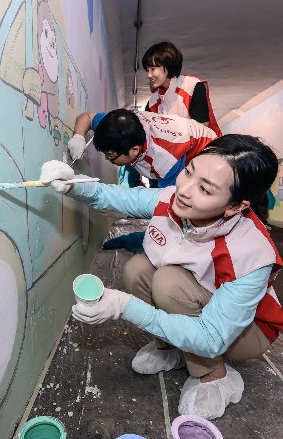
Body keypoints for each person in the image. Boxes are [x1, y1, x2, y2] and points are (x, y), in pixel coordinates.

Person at [39, 134, 283, 420]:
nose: (184, 190)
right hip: (196, 298)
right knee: (138, 269)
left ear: (236, 206)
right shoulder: (172, 199)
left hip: (246, 331)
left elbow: (212, 337)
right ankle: (171, 349)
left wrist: (124, 306)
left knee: (168, 283)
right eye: (189, 172)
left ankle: (212, 374)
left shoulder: (251, 252)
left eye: (205, 189)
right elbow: (120, 197)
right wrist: (72, 186)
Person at [68, 109, 217, 188]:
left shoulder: (165, 161)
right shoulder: (120, 125)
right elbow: (87, 117)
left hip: (207, 151)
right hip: (178, 137)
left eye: (111, 156)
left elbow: (166, 203)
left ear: (134, 150)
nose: (107, 159)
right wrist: (78, 137)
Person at [142, 41, 221, 137]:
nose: (149, 75)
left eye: (153, 69)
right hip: (177, 151)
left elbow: (202, 131)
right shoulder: (153, 102)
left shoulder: (191, 86)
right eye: (147, 70)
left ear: (167, 65)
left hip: (208, 148)